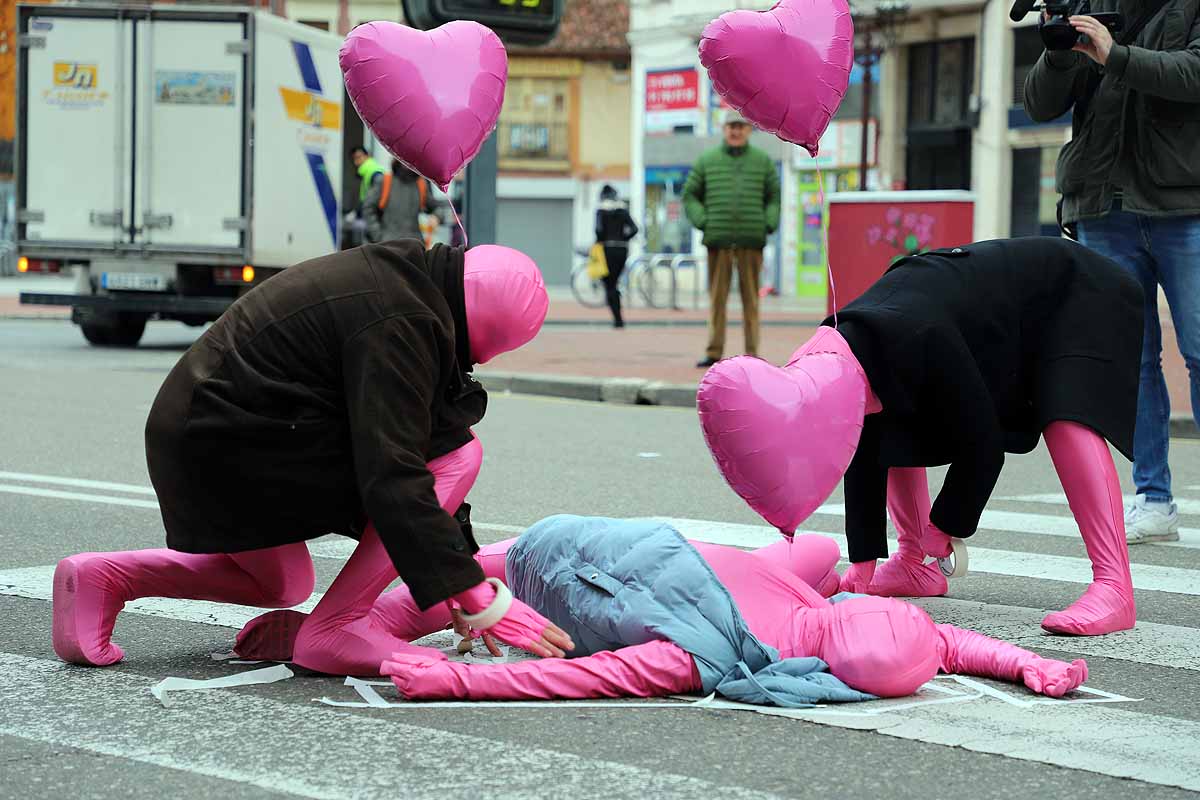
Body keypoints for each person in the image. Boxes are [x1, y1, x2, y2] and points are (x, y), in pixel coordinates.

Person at [51, 239, 574, 675]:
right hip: (232, 439)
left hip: (202, 437)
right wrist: (478, 595)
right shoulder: (402, 321)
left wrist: (456, 575)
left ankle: (106, 577)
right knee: (460, 457)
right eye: (481, 353)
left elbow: (413, 440)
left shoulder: (405, 280)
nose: (472, 364)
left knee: (280, 582)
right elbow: (397, 472)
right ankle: (338, 627)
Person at [700, 237, 1143, 637]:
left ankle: (1114, 584)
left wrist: (944, 527)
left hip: (1078, 291)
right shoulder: (841, 346)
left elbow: (983, 443)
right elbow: (870, 445)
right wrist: (863, 561)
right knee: (893, 419)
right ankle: (913, 566)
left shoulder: (919, 335)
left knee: (1066, 418)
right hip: (980, 305)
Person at [364, 518, 1087, 704]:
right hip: (575, 558)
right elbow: (947, 644)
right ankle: (368, 622)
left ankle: (357, 624)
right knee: (817, 551)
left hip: (567, 563)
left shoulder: (709, 649)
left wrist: (452, 678)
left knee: (461, 584)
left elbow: (576, 678)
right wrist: (1028, 662)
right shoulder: (721, 651)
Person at [1023, 3, 1200, 544]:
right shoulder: (1087, 5)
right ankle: (1153, 497)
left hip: (1185, 204)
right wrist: (1058, 51)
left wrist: (1115, 54)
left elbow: (1192, 74)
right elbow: (1040, 104)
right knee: (1135, 359)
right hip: (1103, 205)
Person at [683, 110, 781, 368]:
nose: (735, 131)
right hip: (719, 240)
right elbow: (690, 195)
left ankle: (752, 352)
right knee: (717, 300)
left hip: (751, 240)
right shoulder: (707, 161)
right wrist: (703, 221)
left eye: (740, 126)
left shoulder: (763, 162)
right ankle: (714, 352)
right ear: (724, 130)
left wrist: (768, 223)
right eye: (731, 126)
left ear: (749, 130)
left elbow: (774, 196)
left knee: (752, 300)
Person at [594, 184, 639, 328]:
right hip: (622, 250)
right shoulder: (622, 210)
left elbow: (598, 230)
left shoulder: (601, 211)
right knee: (615, 282)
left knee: (609, 284)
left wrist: (601, 240)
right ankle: (618, 316)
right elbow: (634, 229)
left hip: (607, 249)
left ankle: (617, 318)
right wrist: (624, 238)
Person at [364, 160, 435, 244]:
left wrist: (437, 216)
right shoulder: (384, 181)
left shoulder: (422, 183)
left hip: (415, 245)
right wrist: (378, 236)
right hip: (388, 244)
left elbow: (434, 206)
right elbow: (368, 207)